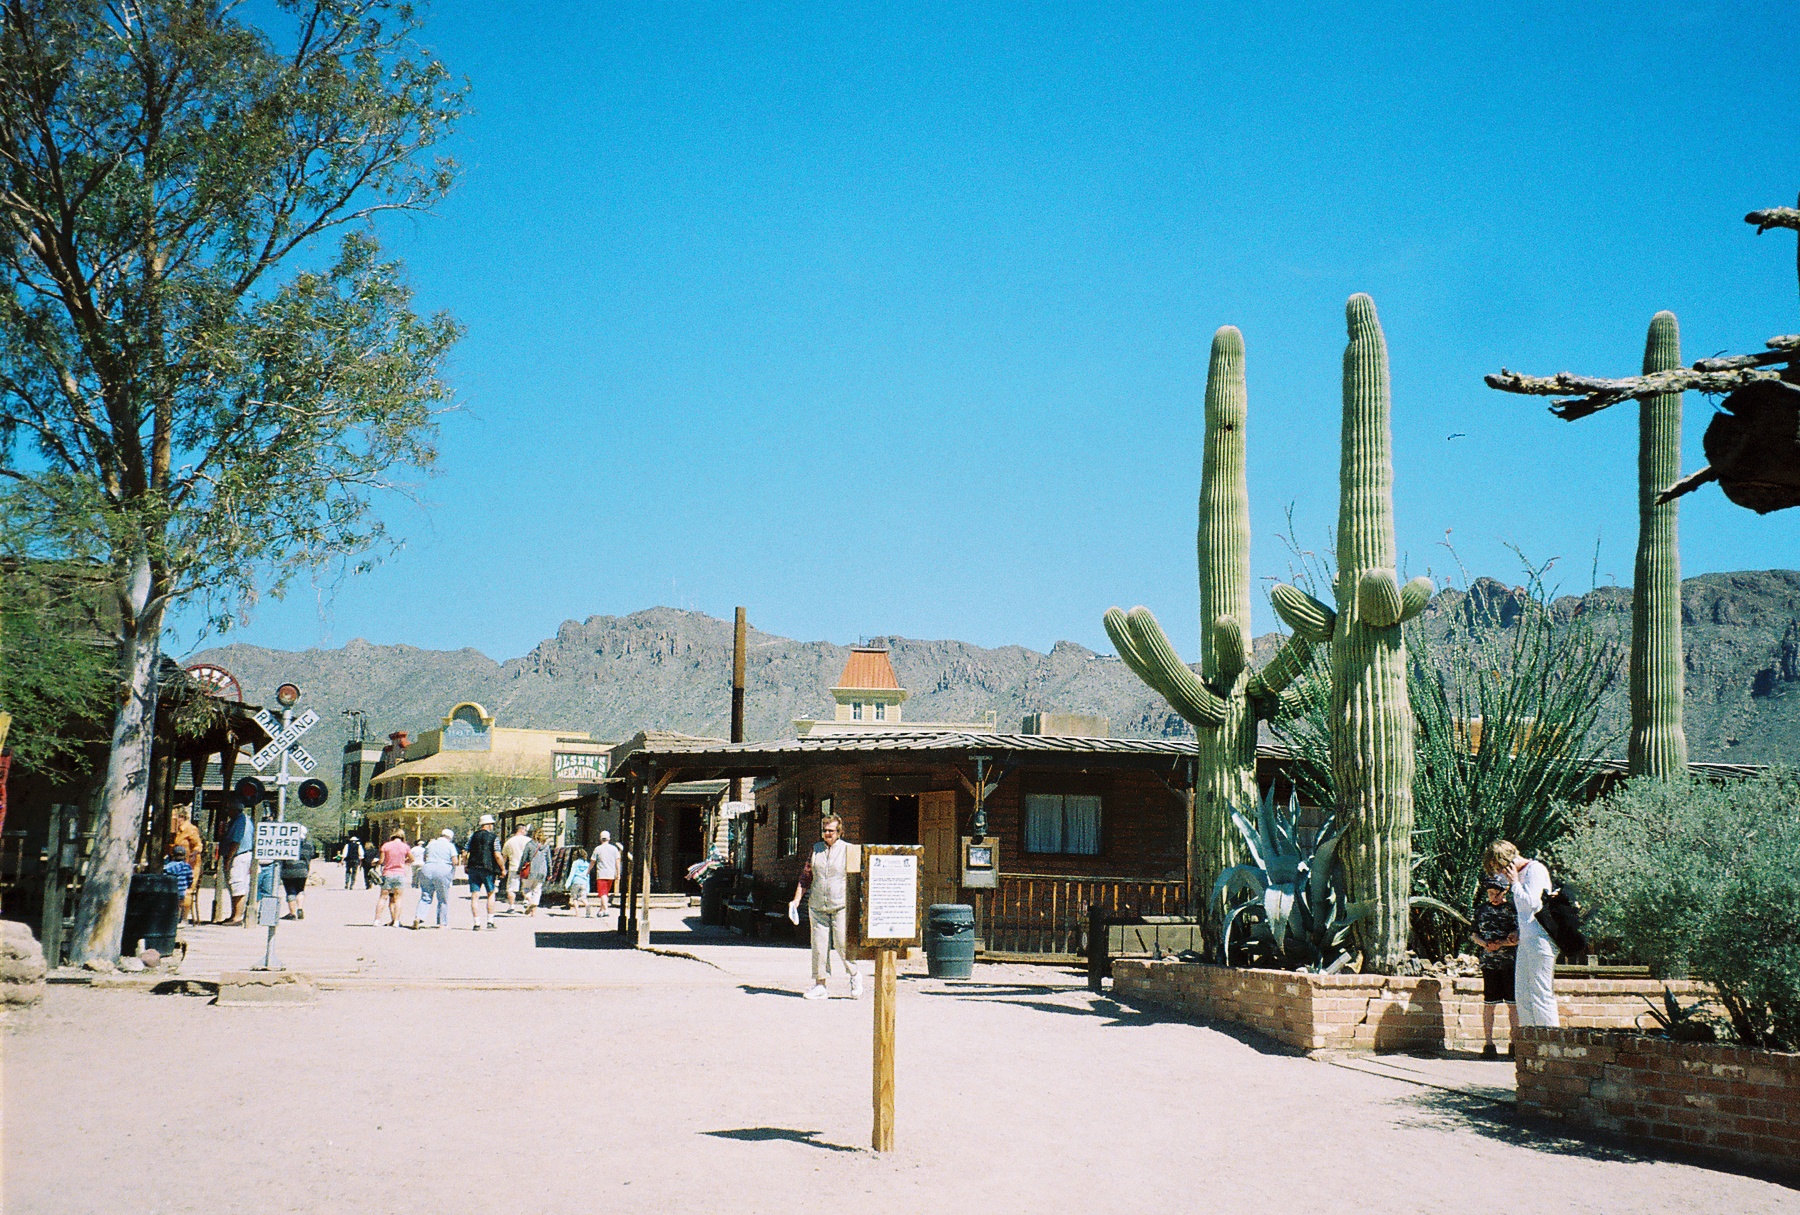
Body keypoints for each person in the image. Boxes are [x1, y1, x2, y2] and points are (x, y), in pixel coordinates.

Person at [1486, 840, 1559, 1028]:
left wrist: (1515, 884)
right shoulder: (1519, 876)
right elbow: (1526, 913)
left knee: (1541, 993)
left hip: (1540, 940)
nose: (1501, 874)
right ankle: (1529, 1041)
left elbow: (1533, 903)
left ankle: (1549, 1039)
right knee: (1523, 994)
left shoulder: (1535, 869)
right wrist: (1518, 932)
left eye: (1500, 868)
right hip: (1526, 939)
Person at [787, 815, 861, 1001]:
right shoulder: (816, 850)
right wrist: (796, 900)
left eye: (831, 830)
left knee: (842, 943)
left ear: (839, 832)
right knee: (819, 946)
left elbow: (857, 879)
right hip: (818, 904)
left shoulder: (848, 850)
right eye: (825, 830)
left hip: (841, 904)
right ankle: (820, 985)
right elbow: (806, 877)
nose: (827, 834)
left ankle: (854, 975)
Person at [1469, 873, 1520, 1058]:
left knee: (1513, 1005)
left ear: (1505, 891)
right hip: (1489, 964)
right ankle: (1489, 1044)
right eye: (1490, 893)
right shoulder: (1481, 910)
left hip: (1509, 964)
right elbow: (1474, 933)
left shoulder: (1512, 910)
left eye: (1497, 893)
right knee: (1489, 1004)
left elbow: (1517, 935)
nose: (1494, 897)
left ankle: (1514, 1043)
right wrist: (1485, 945)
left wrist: (1502, 944)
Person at [218, 797, 253, 925]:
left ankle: (237, 917)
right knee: (234, 886)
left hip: (239, 856)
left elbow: (236, 841)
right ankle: (234, 915)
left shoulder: (240, 821)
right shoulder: (238, 820)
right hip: (238, 856)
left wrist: (228, 858)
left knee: (237, 885)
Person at [464, 814, 502, 931]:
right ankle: (490, 921)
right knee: (491, 893)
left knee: (475, 895)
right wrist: (503, 868)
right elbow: (497, 854)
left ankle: (476, 923)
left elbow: (464, 852)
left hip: (473, 868)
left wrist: (466, 865)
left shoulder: (473, 837)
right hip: (488, 868)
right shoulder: (493, 837)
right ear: (489, 825)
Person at [414, 829, 457, 930]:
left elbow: (425, 857)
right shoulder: (450, 846)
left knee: (426, 895)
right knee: (442, 898)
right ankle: (442, 922)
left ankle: (419, 917)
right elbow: (455, 861)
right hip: (443, 870)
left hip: (427, 869)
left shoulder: (431, 844)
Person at [168, 806, 205, 924]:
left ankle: (184, 917)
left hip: (189, 865)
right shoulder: (175, 831)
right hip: (175, 863)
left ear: (181, 817)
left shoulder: (191, 829)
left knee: (186, 890)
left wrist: (193, 855)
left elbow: (198, 846)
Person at [376, 829, 410, 926]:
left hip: (388, 873)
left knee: (383, 897)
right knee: (397, 899)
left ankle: (377, 920)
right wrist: (404, 861)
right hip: (400, 873)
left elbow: (381, 861)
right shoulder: (405, 847)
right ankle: (396, 921)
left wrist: (377, 862)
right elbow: (412, 858)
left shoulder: (386, 846)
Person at [280, 825, 315, 920]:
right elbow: (311, 855)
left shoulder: (287, 842)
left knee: (290, 891)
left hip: (288, 870)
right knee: (300, 890)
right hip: (303, 870)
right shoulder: (308, 844)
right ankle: (300, 908)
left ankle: (292, 913)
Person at [501, 823, 532, 912]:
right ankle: (527, 901)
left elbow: (504, 857)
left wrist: (502, 868)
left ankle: (512, 906)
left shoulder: (509, 842)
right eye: (525, 830)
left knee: (511, 889)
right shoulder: (529, 841)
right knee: (527, 887)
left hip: (514, 867)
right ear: (521, 830)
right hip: (526, 868)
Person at [521, 826, 550, 915]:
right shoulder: (546, 847)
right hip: (542, 871)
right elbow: (549, 860)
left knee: (526, 889)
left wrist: (520, 869)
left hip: (530, 870)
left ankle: (529, 900)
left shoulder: (529, 845)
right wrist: (550, 873)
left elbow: (524, 858)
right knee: (537, 890)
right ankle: (534, 911)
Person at [591, 831, 620, 910]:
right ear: (609, 838)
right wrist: (618, 873)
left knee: (603, 893)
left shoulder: (597, 849)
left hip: (601, 874)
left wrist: (588, 870)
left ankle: (606, 909)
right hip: (611, 874)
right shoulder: (614, 849)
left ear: (600, 839)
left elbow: (593, 861)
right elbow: (617, 862)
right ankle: (601, 910)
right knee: (605, 893)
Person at [164, 845, 195, 916]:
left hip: (170, 890)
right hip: (181, 890)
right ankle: (178, 917)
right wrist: (189, 885)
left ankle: (170, 916)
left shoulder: (168, 866)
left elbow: (165, 876)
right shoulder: (187, 866)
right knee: (180, 904)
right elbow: (190, 878)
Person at [566, 849, 592, 918]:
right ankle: (587, 905)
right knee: (583, 897)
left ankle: (577, 912)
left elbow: (572, 873)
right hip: (584, 882)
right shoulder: (587, 864)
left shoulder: (575, 863)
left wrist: (567, 883)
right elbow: (588, 875)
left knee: (575, 898)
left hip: (576, 881)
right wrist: (588, 886)